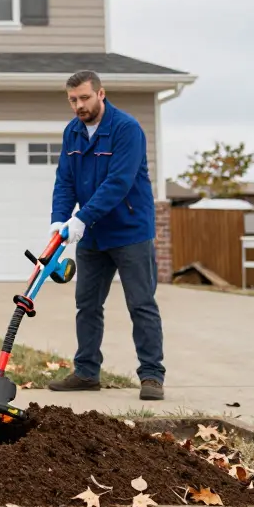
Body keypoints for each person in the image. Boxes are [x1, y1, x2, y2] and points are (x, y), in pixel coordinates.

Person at [47, 70, 166, 401]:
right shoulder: (73, 132)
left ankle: (152, 376)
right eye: (73, 100)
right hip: (93, 236)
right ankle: (86, 372)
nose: (79, 106)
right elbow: (65, 180)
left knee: (141, 303)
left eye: (84, 98)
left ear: (101, 94)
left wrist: (81, 217)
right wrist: (59, 221)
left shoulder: (126, 129)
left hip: (130, 232)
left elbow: (119, 182)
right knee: (86, 304)